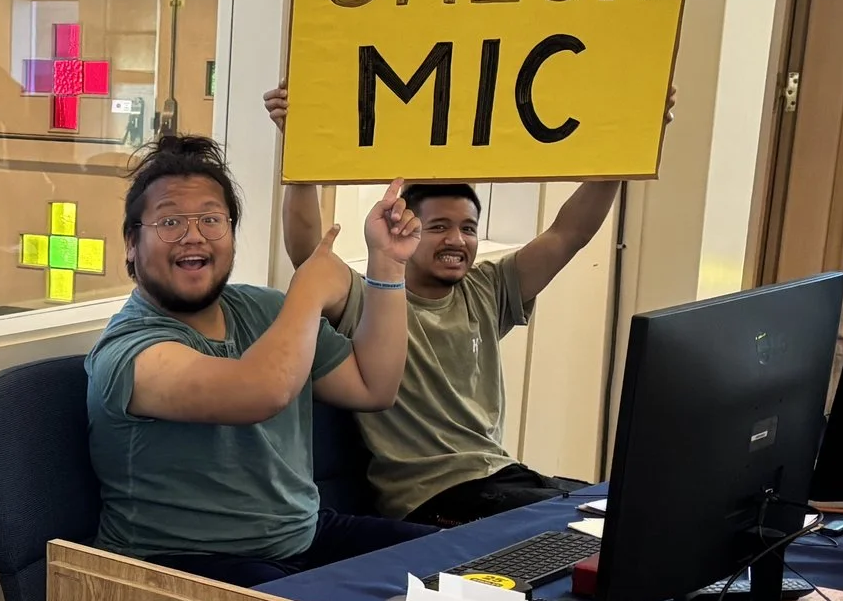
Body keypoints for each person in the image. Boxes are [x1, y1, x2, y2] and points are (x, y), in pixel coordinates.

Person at [264, 82, 636, 525]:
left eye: (469, 228)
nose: (457, 240)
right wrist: (301, 148)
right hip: (432, 500)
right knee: (594, 529)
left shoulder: (487, 288)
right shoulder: (370, 297)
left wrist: (627, 145)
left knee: (620, 517)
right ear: (403, 229)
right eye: (438, 227)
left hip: (501, 477)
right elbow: (308, 252)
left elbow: (567, 234)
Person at [86, 132, 433, 589]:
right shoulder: (128, 353)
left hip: (303, 539)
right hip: (178, 565)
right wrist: (308, 291)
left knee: (469, 571)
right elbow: (260, 392)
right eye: (169, 223)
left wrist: (387, 266)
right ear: (131, 243)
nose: (194, 236)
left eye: (212, 219)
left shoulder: (265, 311)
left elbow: (374, 387)